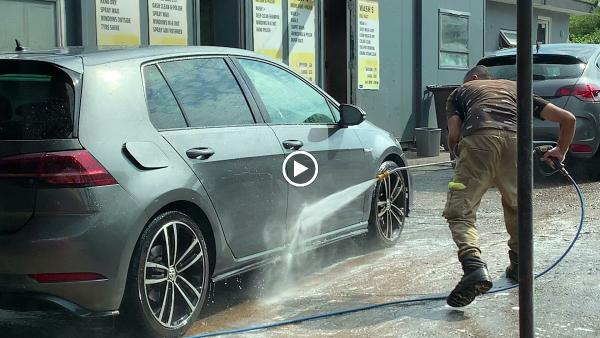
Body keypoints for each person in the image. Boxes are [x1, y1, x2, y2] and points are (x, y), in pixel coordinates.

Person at [443, 65, 576, 307]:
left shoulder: (462, 91)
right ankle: (519, 267)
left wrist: (459, 157)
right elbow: (568, 119)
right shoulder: (516, 89)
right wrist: (560, 150)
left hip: (479, 138)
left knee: (460, 211)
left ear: (473, 78)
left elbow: (454, 135)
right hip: (517, 142)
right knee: (518, 207)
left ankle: (473, 266)